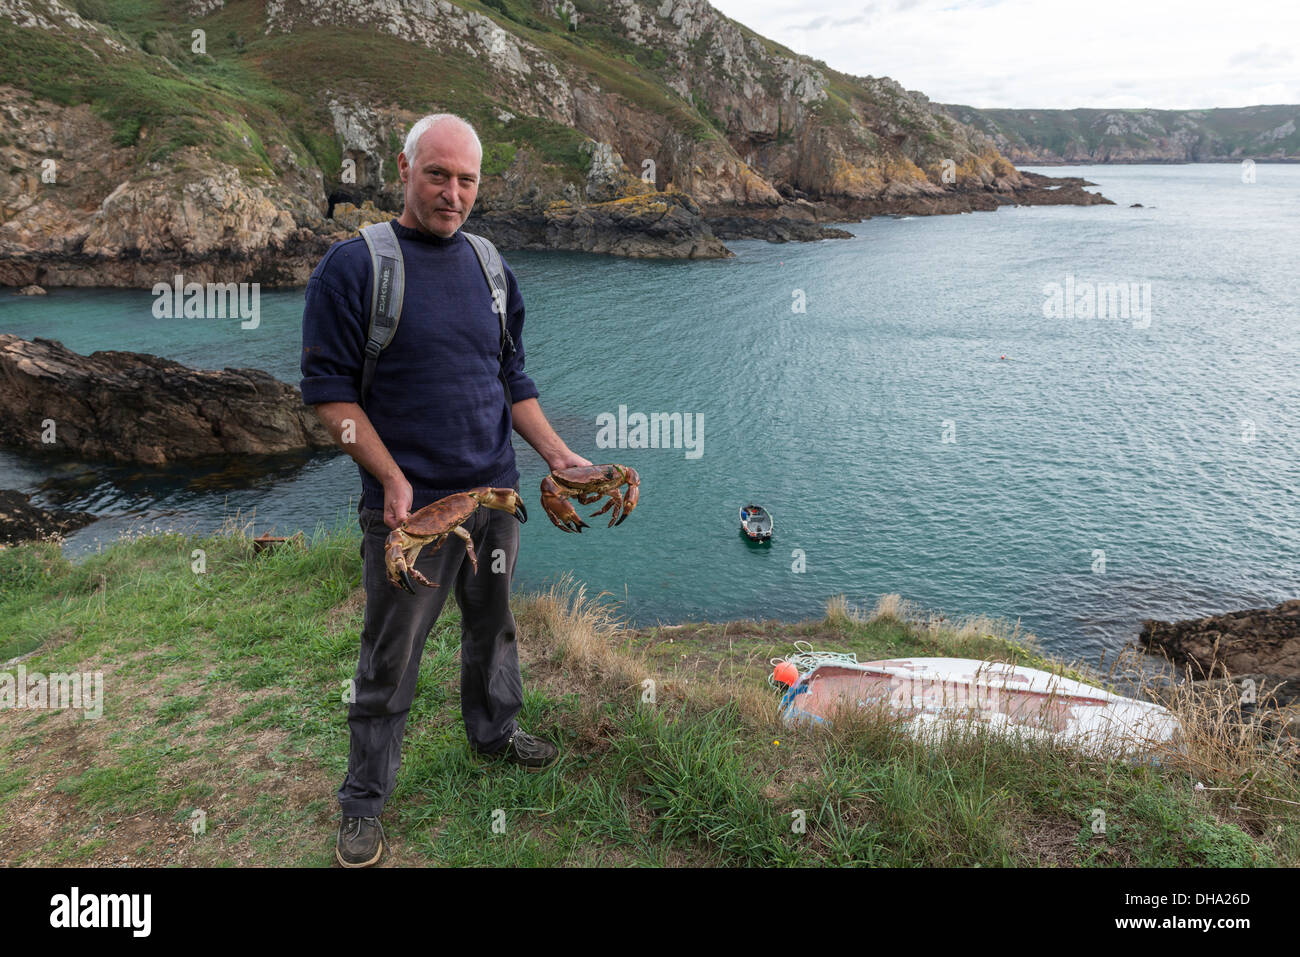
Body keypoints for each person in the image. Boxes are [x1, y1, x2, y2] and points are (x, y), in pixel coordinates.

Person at [299, 113, 591, 867]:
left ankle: (494, 731)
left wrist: (560, 454)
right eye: (438, 174)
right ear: (404, 168)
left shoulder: (492, 266)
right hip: (412, 515)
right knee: (390, 656)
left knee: (491, 625)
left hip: (496, 499)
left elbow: (510, 378)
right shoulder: (356, 267)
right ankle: (362, 803)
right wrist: (390, 476)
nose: (452, 192)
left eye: (466, 179)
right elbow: (330, 399)